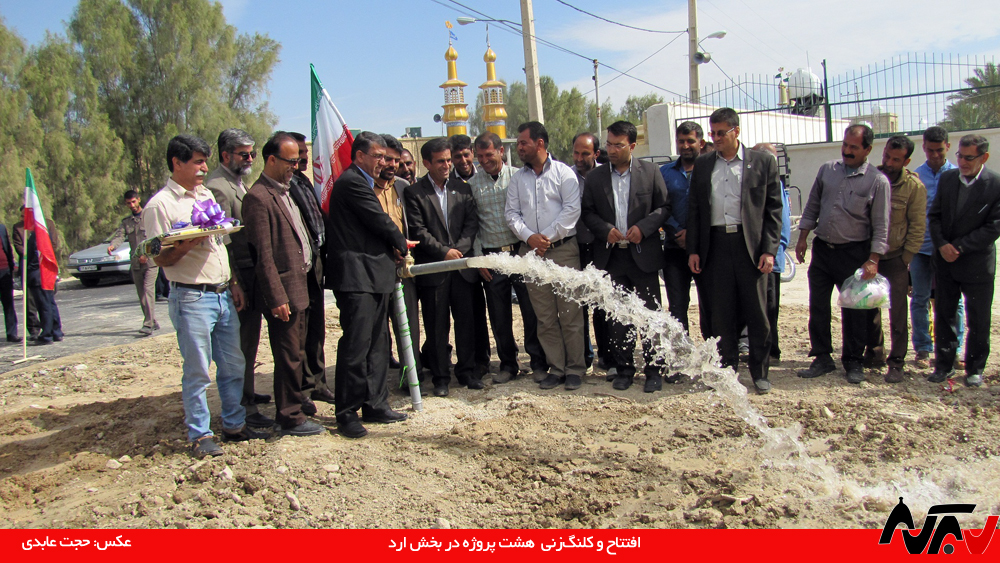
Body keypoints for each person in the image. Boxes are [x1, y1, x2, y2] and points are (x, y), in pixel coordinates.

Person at [143, 134, 267, 457]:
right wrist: (187, 243)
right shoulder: (160, 205)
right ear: (177, 163)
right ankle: (200, 435)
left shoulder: (205, 195)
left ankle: (235, 425)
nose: (203, 168)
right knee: (198, 371)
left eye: (204, 162)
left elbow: (220, 243)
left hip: (222, 293)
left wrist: (234, 282)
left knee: (233, 365)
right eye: (197, 162)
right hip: (191, 297)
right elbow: (159, 258)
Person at [687, 108, 782, 394]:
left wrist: (769, 250)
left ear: (736, 131)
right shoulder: (704, 165)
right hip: (716, 246)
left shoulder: (762, 162)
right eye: (712, 133)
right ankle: (727, 370)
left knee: (757, 312)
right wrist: (693, 250)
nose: (715, 138)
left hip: (749, 247)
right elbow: (695, 209)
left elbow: (773, 210)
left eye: (721, 133)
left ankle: (760, 371)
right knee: (721, 313)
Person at [325, 131, 409, 439]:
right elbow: (379, 220)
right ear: (359, 156)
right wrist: (401, 242)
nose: (383, 163)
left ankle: (375, 404)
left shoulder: (364, 182)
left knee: (377, 344)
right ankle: (347, 413)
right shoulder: (352, 182)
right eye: (378, 157)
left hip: (375, 275)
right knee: (356, 347)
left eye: (386, 158)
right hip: (356, 277)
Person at [242, 132, 324, 437]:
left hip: (301, 285)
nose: (296, 165)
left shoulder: (287, 191)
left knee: (298, 353)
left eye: (298, 160)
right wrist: (276, 297)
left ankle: (295, 403)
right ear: (272, 160)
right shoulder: (258, 198)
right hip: (284, 293)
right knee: (288, 355)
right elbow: (263, 256)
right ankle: (289, 417)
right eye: (291, 161)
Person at [795, 124, 890, 384]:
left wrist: (873, 259)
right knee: (818, 306)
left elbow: (881, 225)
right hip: (823, 250)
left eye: (854, 147)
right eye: (845, 145)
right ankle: (822, 357)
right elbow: (813, 204)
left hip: (854, 254)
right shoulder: (827, 170)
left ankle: (853, 361)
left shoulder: (877, 181)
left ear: (867, 149)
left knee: (854, 310)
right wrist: (802, 238)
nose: (847, 151)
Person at [581, 120, 669, 392]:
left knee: (650, 316)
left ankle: (654, 370)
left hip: (643, 257)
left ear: (632, 146)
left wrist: (644, 228)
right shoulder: (596, 177)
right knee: (618, 318)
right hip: (612, 258)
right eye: (609, 144)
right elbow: (587, 212)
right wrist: (604, 230)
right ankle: (624, 369)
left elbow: (664, 207)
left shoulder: (650, 172)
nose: (611, 150)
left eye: (618, 145)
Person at [505, 121, 586, 391]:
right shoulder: (518, 179)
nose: (519, 147)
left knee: (570, 313)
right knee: (545, 317)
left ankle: (575, 369)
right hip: (532, 255)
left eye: (523, 142)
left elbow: (572, 210)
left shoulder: (564, 174)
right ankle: (557, 368)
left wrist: (545, 238)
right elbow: (511, 214)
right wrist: (530, 238)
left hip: (563, 251)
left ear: (539, 143)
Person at [205, 128, 276, 429]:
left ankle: (247, 391)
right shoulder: (217, 187)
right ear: (225, 155)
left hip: (251, 271)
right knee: (241, 345)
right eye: (244, 154)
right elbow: (223, 241)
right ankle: (243, 406)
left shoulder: (237, 182)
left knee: (250, 340)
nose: (250, 159)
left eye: (252, 153)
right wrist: (235, 281)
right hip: (239, 275)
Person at [405, 137, 480, 397]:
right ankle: (440, 378)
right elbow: (418, 231)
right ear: (426, 163)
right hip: (434, 270)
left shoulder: (463, 189)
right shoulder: (415, 193)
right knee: (437, 327)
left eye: (449, 160)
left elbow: (471, 225)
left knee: (466, 323)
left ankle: (467, 372)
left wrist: (457, 251)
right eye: (440, 161)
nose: (447, 165)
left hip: (462, 269)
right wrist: (444, 252)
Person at [469, 132, 547, 384]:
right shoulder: (472, 184)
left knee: (530, 311)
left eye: (489, 155)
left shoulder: (518, 177)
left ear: (501, 151)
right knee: (499, 315)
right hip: (492, 258)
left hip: (520, 252)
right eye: (480, 156)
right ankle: (508, 364)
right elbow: (473, 224)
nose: (484, 161)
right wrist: (479, 257)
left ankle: (538, 362)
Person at [927, 134, 1000, 387]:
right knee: (944, 314)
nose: (963, 162)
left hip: (977, 264)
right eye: (960, 156)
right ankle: (943, 365)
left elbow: (994, 227)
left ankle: (974, 369)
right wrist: (941, 245)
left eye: (969, 158)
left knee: (978, 319)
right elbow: (934, 216)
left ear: (984, 157)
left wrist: (958, 247)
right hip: (946, 262)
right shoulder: (948, 179)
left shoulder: (995, 184)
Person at [865, 135, 926, 383]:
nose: (889, 163)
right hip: (869, 256)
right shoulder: (871, 177)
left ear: (906, 161)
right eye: (887, 156)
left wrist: (906, 258)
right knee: (868, 307)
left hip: (896, 257)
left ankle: (897, 361)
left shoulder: (914, 187)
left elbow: (917, 226)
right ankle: (874, 352)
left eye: (896, 159)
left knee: (898, 312)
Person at [288, 132, 335, 406]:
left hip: (316, 261)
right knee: (301, 331)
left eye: (305, 154)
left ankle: (318, 382)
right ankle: (303, 388)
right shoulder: (282, 188)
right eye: (298, 155)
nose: (304, 159)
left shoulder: (304, 181)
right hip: (298, 267)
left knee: (316, 327)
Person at [912, 126, 963, 370]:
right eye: (930, 150)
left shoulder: (957, 175)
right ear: (923, 147)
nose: (934, 155)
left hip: (949, 250)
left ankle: (955, 349)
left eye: (939, 150)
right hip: (921, 249)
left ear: (948, 147)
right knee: (920, 299)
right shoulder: (916, 176)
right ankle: (923, 348)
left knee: (954, 301)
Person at [375, 134, 423, 382]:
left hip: (404, 267)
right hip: (376, 268)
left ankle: (411, 376)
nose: (393, 165)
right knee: (378, 329)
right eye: (388, 159)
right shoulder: (364, 188)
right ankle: (379, 380)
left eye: (396, 160)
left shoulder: (403, 187)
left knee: (408, 325)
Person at [660, 121, 710, 337]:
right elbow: (660, 205)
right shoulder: (665, 173)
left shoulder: (711, 170)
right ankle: (682, 351)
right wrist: (677, 231)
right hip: (675, 247)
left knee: (710, 302)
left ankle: (713, 349)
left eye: (690, 141)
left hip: (706, 249)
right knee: (677, 305)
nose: (685, 146)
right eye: (681, 141)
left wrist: (694, 234)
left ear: (701, 142)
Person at [449, 134, 491, 376]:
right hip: (463, 258)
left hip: (489, 251)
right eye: (457, 157)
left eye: (466, 155)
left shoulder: (485, 176)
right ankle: (471, 361)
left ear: (472, 153)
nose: (463, 160)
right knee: (467, 314)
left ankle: (485, 359)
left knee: (484, 311)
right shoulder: (447, 183)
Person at [751, 143, 792, 364]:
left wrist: (772, 253)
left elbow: (781, 226)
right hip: (753, 258)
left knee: (768, 309)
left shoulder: (775, 185)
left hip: (769, 261)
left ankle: (771, 352)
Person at [570, 132, 603, 372]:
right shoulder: (565, 176)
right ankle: (584, 357)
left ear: (596, 154)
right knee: (577, 305)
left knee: (602, 304)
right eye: (576, 153)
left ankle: (607, 358)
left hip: (602, 248)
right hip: (576, 247)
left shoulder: (606, 175)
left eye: (585, 154)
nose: (579, 158)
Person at [108, 190, 160, 336]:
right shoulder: (127, 222)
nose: (131, 205)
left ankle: (148, 324)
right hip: (136, 262)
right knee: (141, 294)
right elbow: (120, 236)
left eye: (133, 202)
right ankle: (152, 320)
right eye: (128, 203)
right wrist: (113, 246)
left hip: (150, 262)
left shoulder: (148, 217)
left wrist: (146, 254)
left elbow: (156, 237)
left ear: (138, 200)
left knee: (148, 291)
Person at [12, 216, 41, 340]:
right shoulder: (18, 227)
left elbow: (53, 243)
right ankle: (34, 329)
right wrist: (28, 258)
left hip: (44, 268)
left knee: (46, 301)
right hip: (27, 268)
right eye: (22, 215)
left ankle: (51, 328)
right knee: (29, 302)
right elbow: (18, 246)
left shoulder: (45, 224)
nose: (24, 217)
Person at [0, 223, 19, 342]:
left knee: (8, 303)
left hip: (5, 270)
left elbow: (7, 247)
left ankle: (12, 333)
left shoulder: (1, 228)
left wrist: (11, 264)